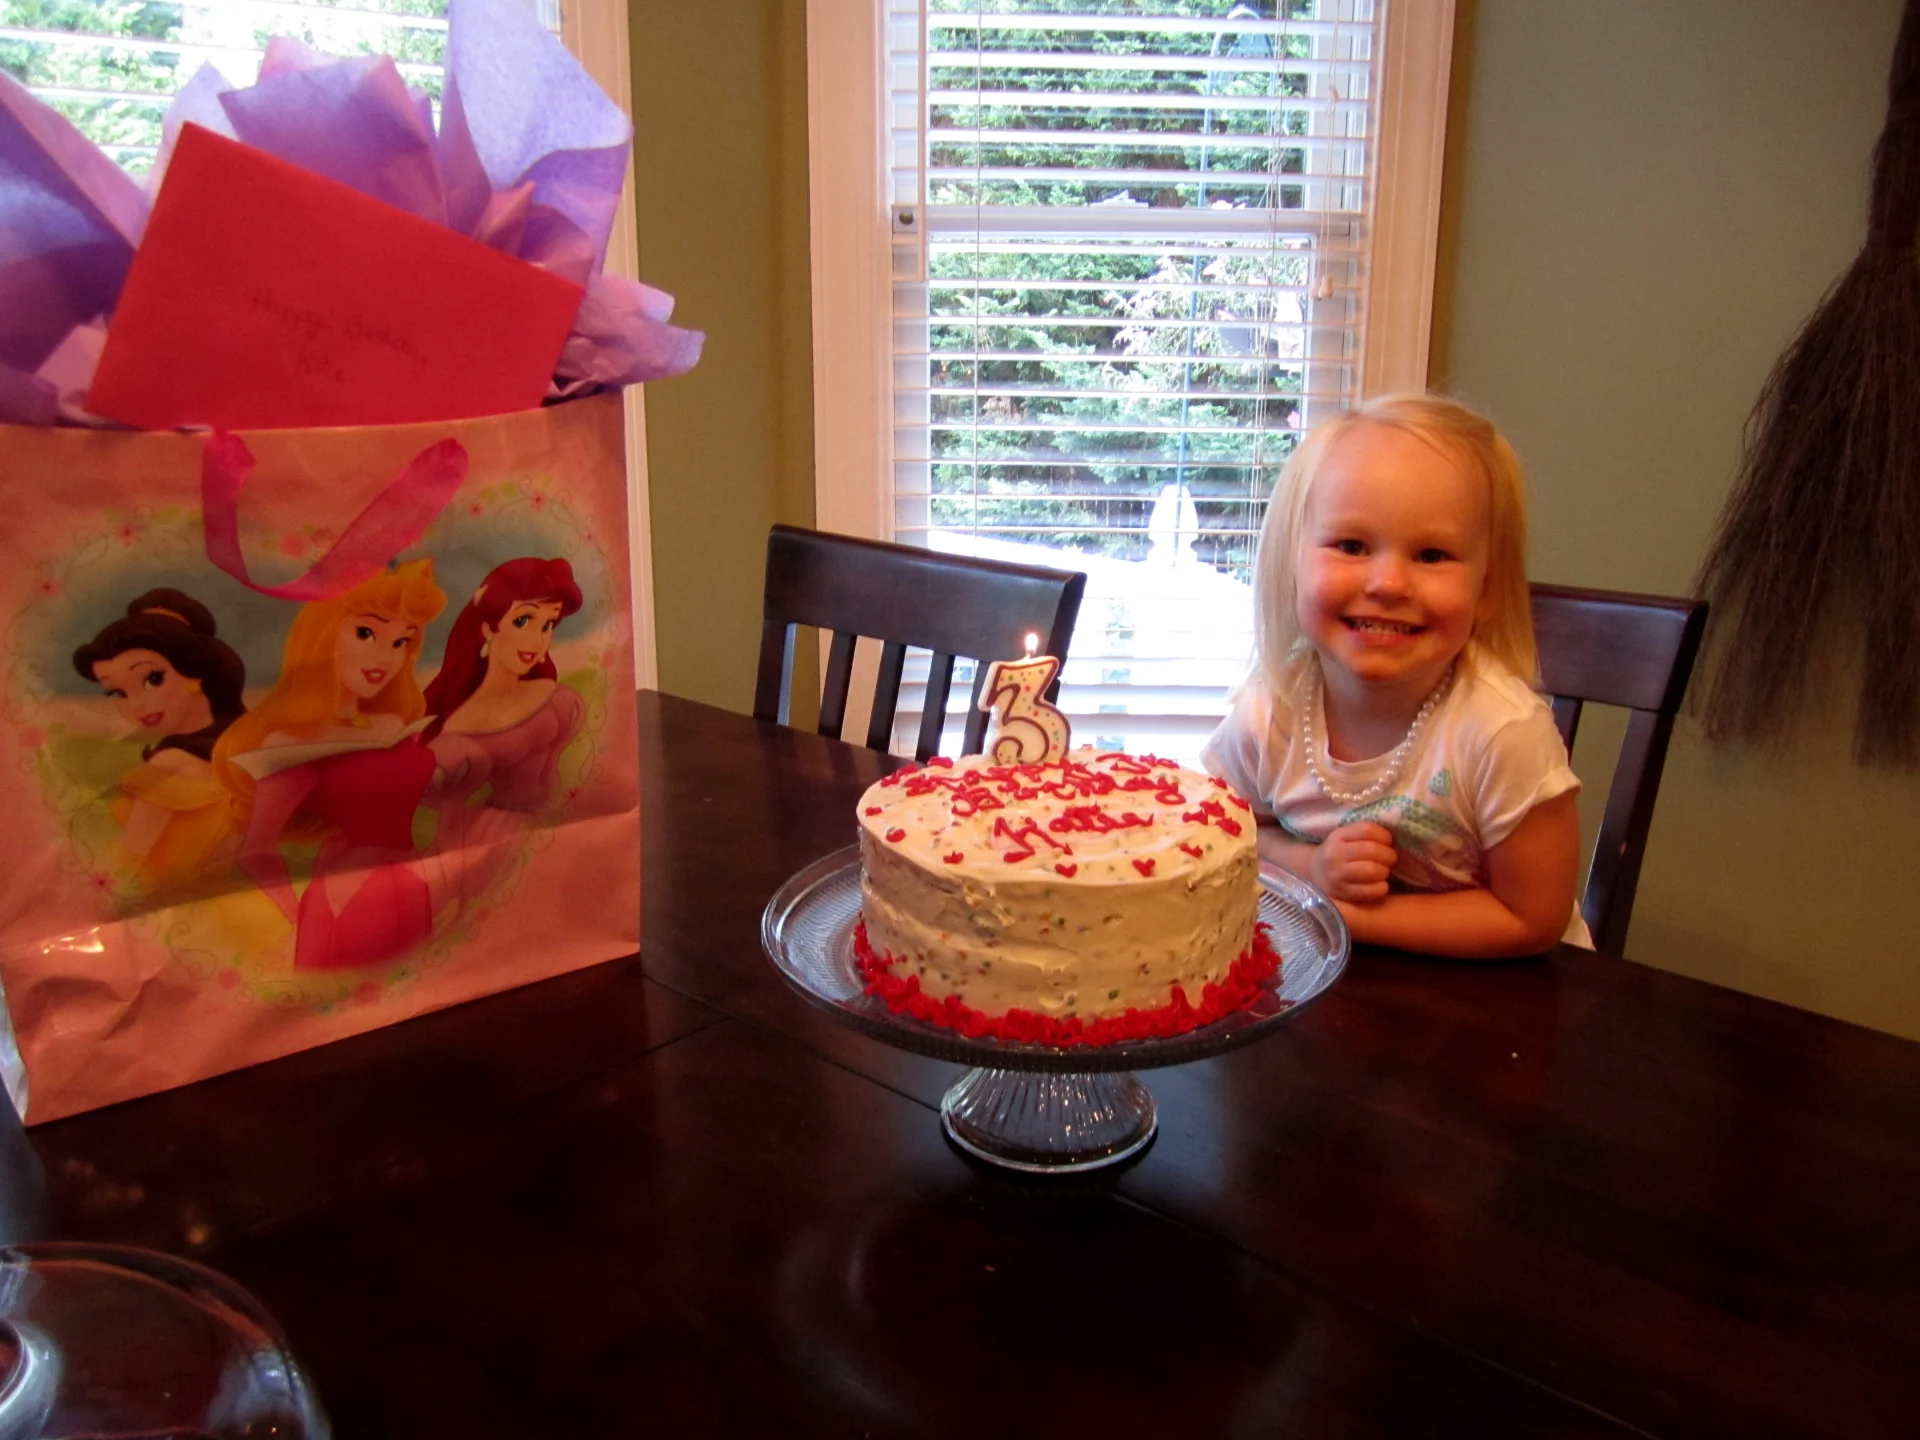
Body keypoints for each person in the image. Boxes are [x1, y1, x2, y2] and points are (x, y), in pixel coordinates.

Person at [1200, 393, 1586, 957]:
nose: (1387, 583)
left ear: (1487, 588)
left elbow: (1531, 918)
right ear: (1292, 565)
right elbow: (1223, 828)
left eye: (1431, 555)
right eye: (1351, 545)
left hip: (1504, 993)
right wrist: (1311, 864)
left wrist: (1348, 919)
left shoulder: (1502, 733)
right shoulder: (1270, 709)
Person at [213, 560, 448, 970]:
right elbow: (256, 853)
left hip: (412, 885)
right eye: (365, 633)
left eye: (401, 642)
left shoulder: (393, 722)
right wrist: (300, 916)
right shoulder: (292, 743)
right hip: (347, 897)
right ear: (323, 633)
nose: (385, 657)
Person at [422, 558, 585, 904]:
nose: (537, 639)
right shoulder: (463, 726)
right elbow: (450, 828)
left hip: (560, 828)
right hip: (500, 839)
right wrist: (450, 893)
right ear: (488, 629)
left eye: (548, 624)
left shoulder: (549, 692)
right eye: (523, 621)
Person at [72, 590, 247, 891]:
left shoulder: (171, 762)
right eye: (119, 693)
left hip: (155, 896)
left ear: (196, 671)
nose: (136, 706)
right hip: (209, 896)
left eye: (153, 679)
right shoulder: (239, 753)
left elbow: (128, 857)